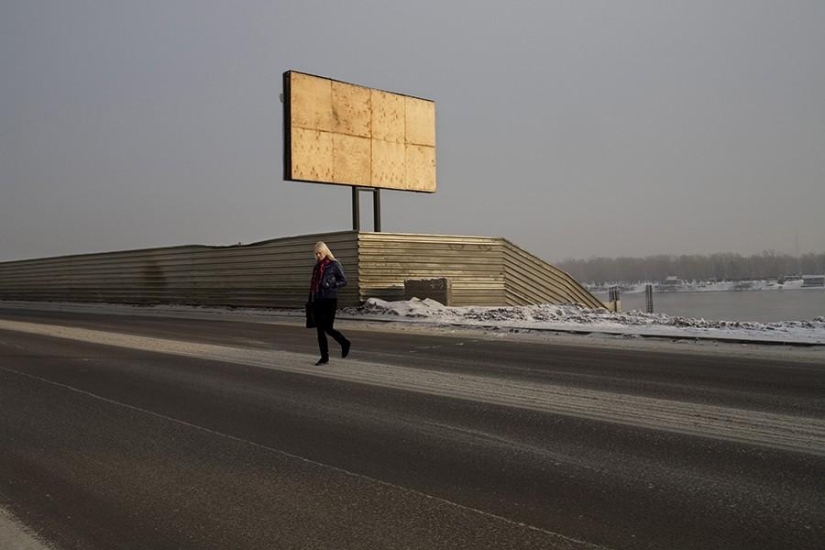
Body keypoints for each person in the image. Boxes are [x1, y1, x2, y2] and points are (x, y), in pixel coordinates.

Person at [309, 242, 351, 365]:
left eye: (319, 253)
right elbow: (313, 284)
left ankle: (344, 342)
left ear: (325, 251)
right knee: (320, 330)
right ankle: (324, 357)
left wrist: (331, 284)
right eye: (316, 254)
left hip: (329, 299)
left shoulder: (334, 265)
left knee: (328, 327)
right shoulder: (316, 267)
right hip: (318, 300)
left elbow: (343, 281)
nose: (318, 256)